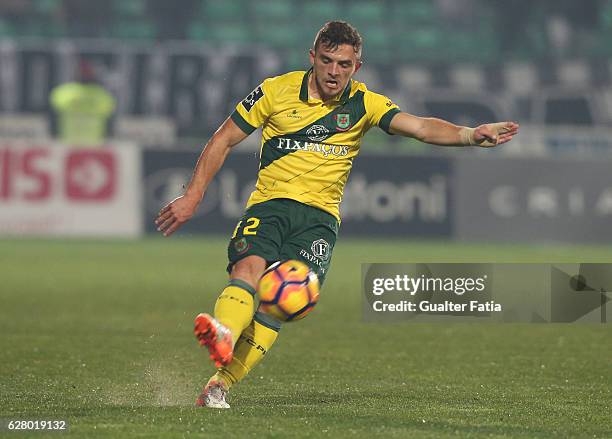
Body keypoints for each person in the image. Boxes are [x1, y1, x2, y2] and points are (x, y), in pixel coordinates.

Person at [154, 21, 519, 409]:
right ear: (312, 58)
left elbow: (421, 127)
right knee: (247, 271)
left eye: (344, 64)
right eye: (327, 61)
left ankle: (218, 387)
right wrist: (192, 196)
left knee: (284, 303)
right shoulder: (275, 91)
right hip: (270, 205)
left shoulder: (365, 103)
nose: (334, 72)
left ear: (356, 66)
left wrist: (470, 134)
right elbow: (223, 138)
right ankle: (224, 331)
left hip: (319, 222)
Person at [50, 61, 115, 147]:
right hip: (95, 142)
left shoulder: (63, 92)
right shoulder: (102, 95)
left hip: (68, 141)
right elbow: (109, 119)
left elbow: (53, 115)